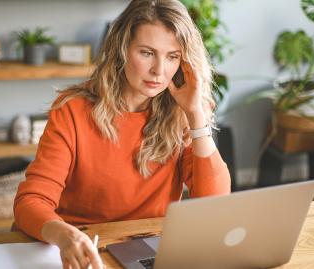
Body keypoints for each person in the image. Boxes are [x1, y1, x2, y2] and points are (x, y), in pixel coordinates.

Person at [13, 0, 231, 268]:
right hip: (81, 249)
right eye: (147, 53)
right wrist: (64, 234)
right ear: (122, 50)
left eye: (172, 56)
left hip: (147, 250)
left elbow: (215, 206)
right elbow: (31, 201)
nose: (159, 71)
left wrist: (196, 115)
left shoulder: (183, 114)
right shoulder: (72, 111)